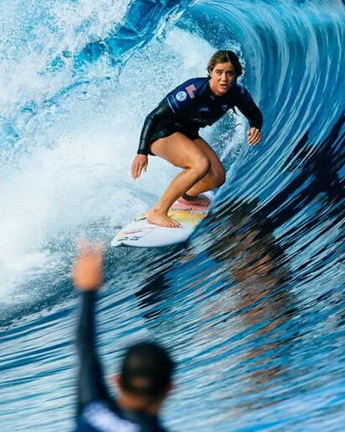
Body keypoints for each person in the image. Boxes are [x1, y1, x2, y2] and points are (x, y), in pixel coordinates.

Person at [131, 50, 263, 228]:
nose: (224, 78)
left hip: (188, 132)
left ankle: (187, 196)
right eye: (219, 72)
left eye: (229, 73)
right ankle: (158, 211)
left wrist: (255, 127)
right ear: (210, 72)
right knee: (200, 164)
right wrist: (141, 152)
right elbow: (153, 116)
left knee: (217, 177)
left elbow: (255, 115)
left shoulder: (237, 94)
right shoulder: (193, 90)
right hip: (162, 132)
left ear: (236, 75)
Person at [74, 240, 174, 432]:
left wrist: (88, 290)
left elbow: (85, 348)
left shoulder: (93, 409)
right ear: (169, 389)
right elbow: (85, 349)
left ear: (118, 381)